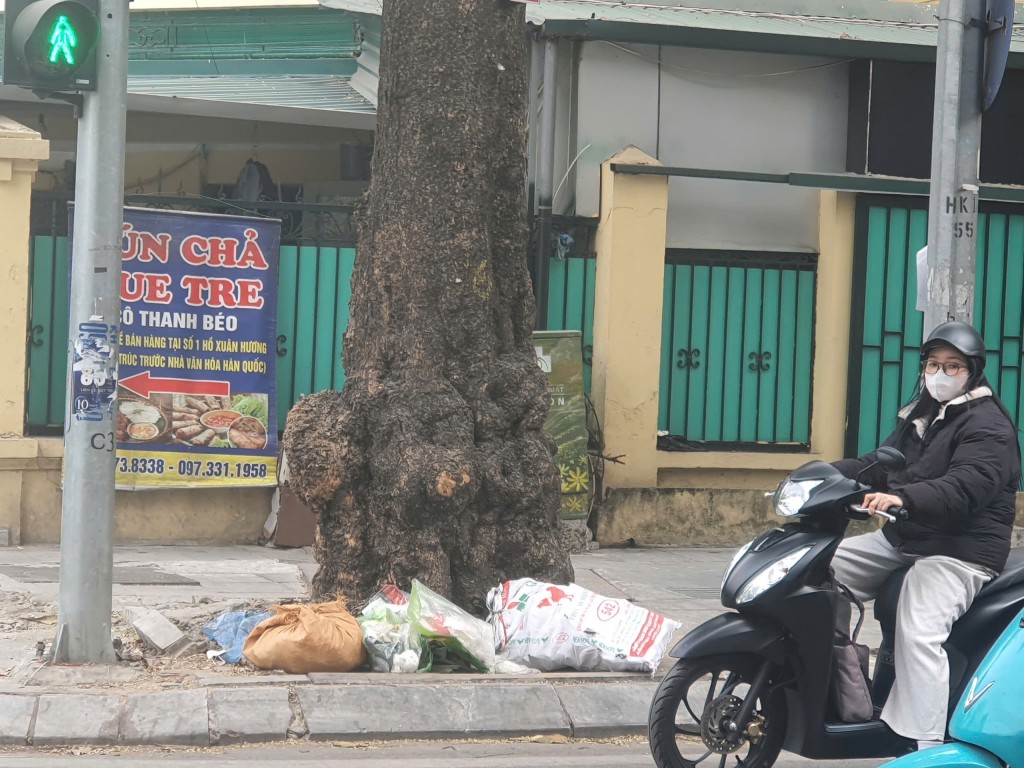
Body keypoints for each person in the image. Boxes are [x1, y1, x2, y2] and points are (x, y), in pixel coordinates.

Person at [830, 321, 1021, 751]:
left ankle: (927, 745)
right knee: (819, 569)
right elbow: (879, 465)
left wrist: (901, 500)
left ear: (972, 371)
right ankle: (842, 679)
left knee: (918, 628)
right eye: (934, 364)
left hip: (961, 550)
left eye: (952, 366)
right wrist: (823, 476)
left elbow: (965, 487)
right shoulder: (921, 414)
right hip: (906, 538)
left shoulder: (989, 425)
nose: (940, 373)